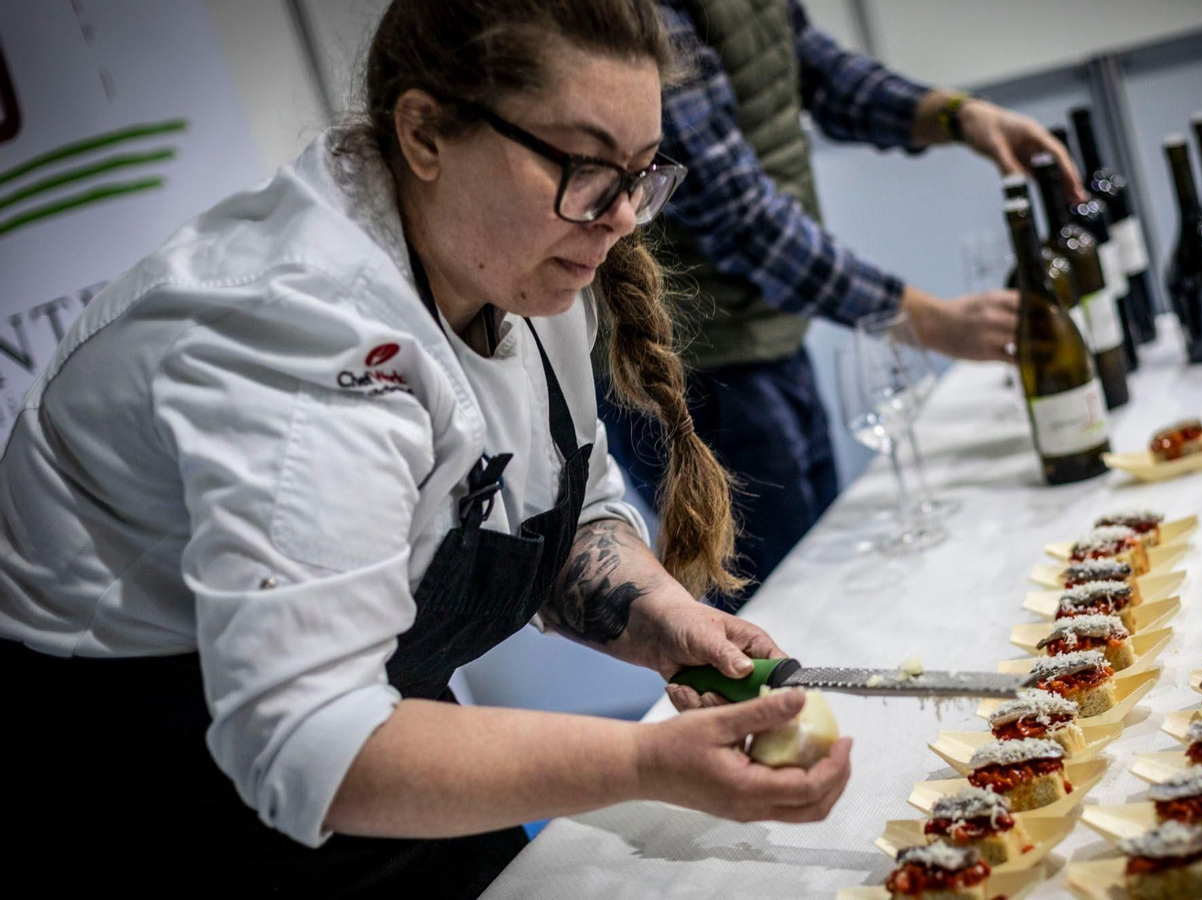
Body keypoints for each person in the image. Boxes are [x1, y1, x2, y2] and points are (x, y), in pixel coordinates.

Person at [0, 1, 850, 896]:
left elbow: (571, 502)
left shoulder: (517, 266)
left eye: (641, 174)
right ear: (424, 134)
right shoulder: (293, 338)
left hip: (376, 722)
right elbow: (311, 741)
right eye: (588, 169)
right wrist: (647, 764)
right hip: (160, 791)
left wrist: (661, 621)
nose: (623, 217)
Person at [599, 0, 1089, 608]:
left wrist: (959, 117)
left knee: (821, 585)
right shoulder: (646, 14)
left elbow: (815, 70)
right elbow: (736, 213)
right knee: (782, 613)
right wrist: (923, 321)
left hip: (767, 338)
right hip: (693, 368)